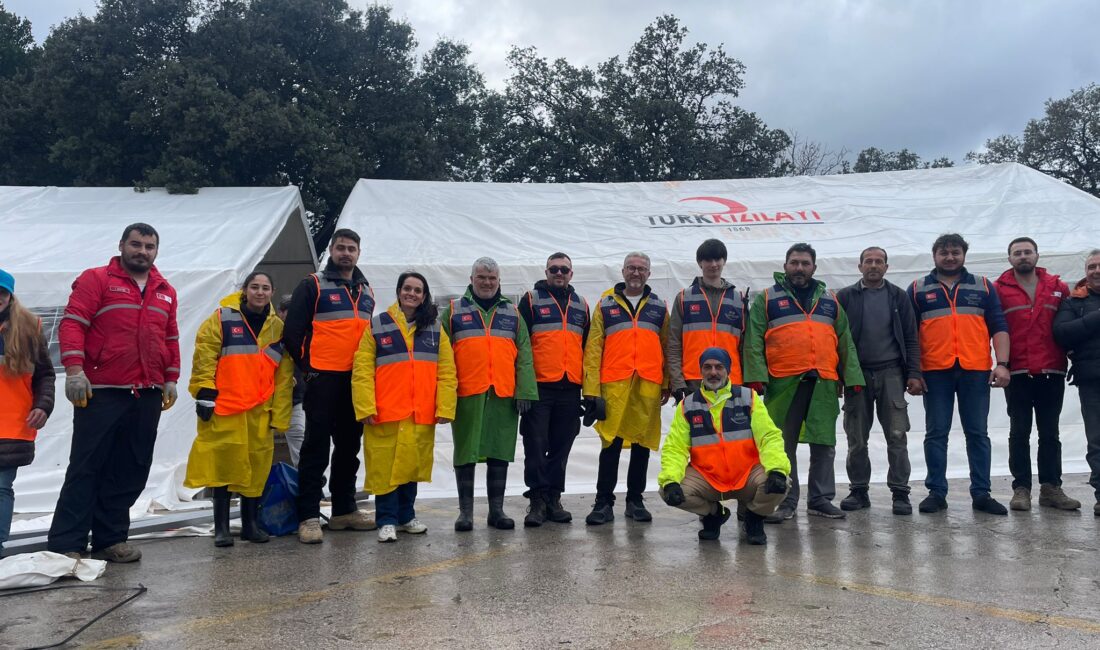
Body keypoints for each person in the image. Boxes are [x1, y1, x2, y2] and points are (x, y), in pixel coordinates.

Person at [47, 223, 180, 562]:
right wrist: (74, 371)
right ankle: (67, 543)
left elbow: (170, 339)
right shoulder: (96, 279)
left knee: (131, 467)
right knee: (87, 466)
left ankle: (110, 540)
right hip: (101, 391)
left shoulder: (165, 290)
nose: (143, 251)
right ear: (121, 245)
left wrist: (170, 377)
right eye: (136, 244)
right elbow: (73, 322)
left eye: (150, 246)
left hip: (147, 391)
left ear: (156, 251)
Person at [743, 243, 864, 523]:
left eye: (805, 263)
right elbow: (753, 340)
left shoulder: (830, 300)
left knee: (824, 443)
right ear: (785, 266)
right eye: (794, 262)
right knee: (782, 446)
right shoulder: (766, 299)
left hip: (823, 382)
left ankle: (820, 499)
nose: (799, 268)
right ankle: (785, 501)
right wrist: (757, 378)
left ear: (814, 268)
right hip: (783, 383)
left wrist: (852, 377)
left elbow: (844, 340)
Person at [184, 272, 294, 547]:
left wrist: (280, 414)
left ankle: (250, 525)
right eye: (254, 287)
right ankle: (220, 528)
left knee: (256, 468)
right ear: (245, 290)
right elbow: (205, 355)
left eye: (265, 288)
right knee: (222, 465)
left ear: (272, 292)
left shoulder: (277, 329)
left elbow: (283, 375)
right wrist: (204, 393)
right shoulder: (222, 319)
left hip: (259, 410)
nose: (260, 292)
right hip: (226, 407)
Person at [282, 228, 377, 544]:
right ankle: (308, 515)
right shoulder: (313, 284)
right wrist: (309, 372)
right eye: (341, 248)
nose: (346, 253)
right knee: (316, 446)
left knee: (350, 447)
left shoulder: (367, 290)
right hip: (323, 379)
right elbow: (293, 333)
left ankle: (343, 509)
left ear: (359, 254)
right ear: (331, 252)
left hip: (356, 380)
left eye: (352, 248)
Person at [908, 233, 1011, 515]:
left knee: (977, 434)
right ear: (935, 256)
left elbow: (999, 326)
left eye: (955, 252)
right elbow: (910, 335)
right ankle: (936, 493)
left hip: (975, 371)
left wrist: (1002, 363)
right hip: (935, 372)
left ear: (964, 255)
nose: (950, 257)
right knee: (936, 433)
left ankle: (981, 493)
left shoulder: (984, 287)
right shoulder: (917, 288)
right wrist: (914, 372)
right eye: (944, 252)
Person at [352, 272, 457, 542]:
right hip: (386, 412)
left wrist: (445, 406)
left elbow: (447, 371)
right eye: (407, 288)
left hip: (419, 412)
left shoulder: (435, 329)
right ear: (398, 291)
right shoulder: (377, 326)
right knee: (385, 470)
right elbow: (362, 370)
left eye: (417, 290)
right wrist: (365, 407)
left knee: (412, 467)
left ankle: (407, 516)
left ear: (424, 296)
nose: (412, 294)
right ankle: (386, 520)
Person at [441, 258, 537, 531]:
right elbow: (441, 356)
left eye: (492, 278)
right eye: (481, 277)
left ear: (499, 281)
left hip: (503, 394)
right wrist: (445, 395)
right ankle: (466, 513)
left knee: (500, 450)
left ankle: (497, 511)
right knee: (465, 452)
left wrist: (526, 391)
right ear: (471, 279)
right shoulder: (452, 311)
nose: (487, 282)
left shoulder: (513, 313)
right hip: (467, 393)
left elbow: (525, 355)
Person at [658, 347, 789, 544]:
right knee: (667, 489)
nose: (713, 372)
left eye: (719, 367)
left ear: (728, 370)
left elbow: (769, 437)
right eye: (707, 367)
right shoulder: (688, 406)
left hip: (747, 476)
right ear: (700, 371)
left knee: (782, 482)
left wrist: (777, 469)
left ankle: (754, 517)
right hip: (708, 478)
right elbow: (675, 448)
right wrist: (670, 480)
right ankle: (713, 514)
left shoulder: (749, 398)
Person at [582, 252, 670, 525]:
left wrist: (666, 383)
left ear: (649, 274)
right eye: (631, 268)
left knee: (642, 444)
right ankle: (603, 503)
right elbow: (593, 348)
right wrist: (591, 390)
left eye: (641, 269)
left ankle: (635, 500)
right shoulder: (605, 304)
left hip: (647, 384)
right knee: (611, 444)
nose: (636, 273)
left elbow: (666, 346)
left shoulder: (658, 306)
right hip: (614, 386)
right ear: (622, 271)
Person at [835, 247, 922, 515]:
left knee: (897, 435)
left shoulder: (898, 296)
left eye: (879, 261)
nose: (874, 265)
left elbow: (911, 336)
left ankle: (900, 493)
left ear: (887, 266)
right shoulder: (846, 296)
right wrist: (839, 376)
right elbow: (835, 339)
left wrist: (914, 373)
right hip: (856, 374)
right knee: (856, 437)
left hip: (891, 373)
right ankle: (859, 490)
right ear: (859, 266)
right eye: (868, 261)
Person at [995, 238, 1078, 511]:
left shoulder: (1058, 287)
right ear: (1009, 259)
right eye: (1017, 253)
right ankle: (1021, 489)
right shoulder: (998, 290)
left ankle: (1051, 488)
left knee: (1050, 433)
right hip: (1016, 371)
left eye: (1027, 252)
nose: (1023, 257)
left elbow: (1071, 324)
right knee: (1019, 432)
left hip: (1051, 370)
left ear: (1037, 255)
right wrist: (1000, 363)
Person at [517, 253, 590, 526]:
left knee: (562, 445)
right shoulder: (531, 300)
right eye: (554, 269)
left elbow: (587, 349)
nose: (559, 273)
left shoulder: (581, 304)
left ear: (571, 273)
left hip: (570, 387)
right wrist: (523, 387)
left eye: (564, 269)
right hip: (539, 388)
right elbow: (521, 346)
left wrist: (589, 390)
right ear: (546, 272)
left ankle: (553, 497)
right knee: (535, 445)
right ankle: (536, 500)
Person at [0, 270, 55, 557]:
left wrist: (42, 406)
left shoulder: (28, 327)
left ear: (10, 296)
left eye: (1, 292)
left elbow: (45, 375)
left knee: (1, 486)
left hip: (12, 423)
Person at [668, 239, 746, 403]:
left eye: (717, 259)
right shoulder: (684, 298)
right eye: (708, 260)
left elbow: (746, 345)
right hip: (694, 380)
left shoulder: (739, 299)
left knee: (730, 429)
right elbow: (673, 343)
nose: (713, 264)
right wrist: (677, 381)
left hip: (731, 380)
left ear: (724, 261)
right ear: (699, 263)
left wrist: (750, 380)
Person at [1052, 249, 1100, 517]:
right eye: (1091, 266)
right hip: (1092, 380)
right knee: (1097, 441)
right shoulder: (1074, 301)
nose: (1096, 271)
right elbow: (1062, 333)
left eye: (1099, 266)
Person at [277, 295, 307, 467]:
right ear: (281, 313)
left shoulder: (305, 332)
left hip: (298, 398)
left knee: (300, 437)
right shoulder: (272, 333)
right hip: (272, 400)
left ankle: (306, 481)